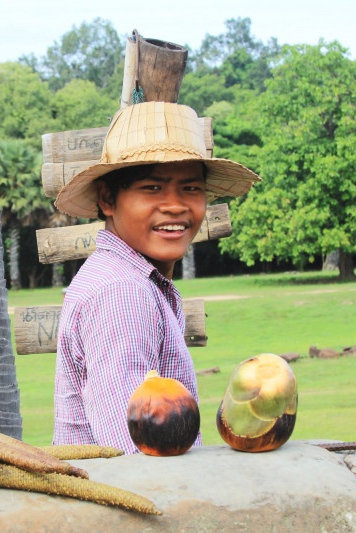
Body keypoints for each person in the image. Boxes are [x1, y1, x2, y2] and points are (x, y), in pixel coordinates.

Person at [51, 101, 260, 454]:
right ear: (108, 199)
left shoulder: (126, 278)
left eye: (191, 189)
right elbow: (136, 449)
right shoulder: (122, 292)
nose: (175, 205)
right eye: (152, 188)